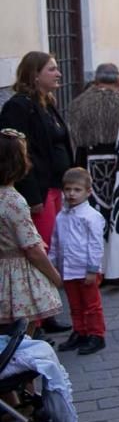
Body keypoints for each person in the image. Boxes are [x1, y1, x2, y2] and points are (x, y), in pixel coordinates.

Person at [0, 52, 73, 334]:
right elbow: (16, 155)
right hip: (37, 193)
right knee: (37, 249)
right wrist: (32, 198)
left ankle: (46, 313)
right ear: (34, 74)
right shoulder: (19, 107)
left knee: (49, 247)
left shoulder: (47, 103)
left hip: (54, 187)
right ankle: (34, 324)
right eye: (52, 69)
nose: (58, 74)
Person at [66, 64, 119, 282]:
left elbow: (76, 142)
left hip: (88, 167)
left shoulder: (78, 104)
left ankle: (96, 269)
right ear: (117, 80)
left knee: (93, 217)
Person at [0, 129, 63, 335]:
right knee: (21, 339)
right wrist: (55, 276)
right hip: (16, 277)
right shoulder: (13, 201)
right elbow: (32, 249)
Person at [49, 168, 107, 355]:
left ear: (88, 192)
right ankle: (80, 332)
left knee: (91, 305)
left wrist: (92, 269)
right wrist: (52, 265)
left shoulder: (92, 217)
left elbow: (96, 245)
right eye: (68, 189)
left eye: (77, 190)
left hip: (86, 270)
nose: (71, 194)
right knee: (74, 305)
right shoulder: (61, 217)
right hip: (68, 270)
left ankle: (96, 335)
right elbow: (55, 243)